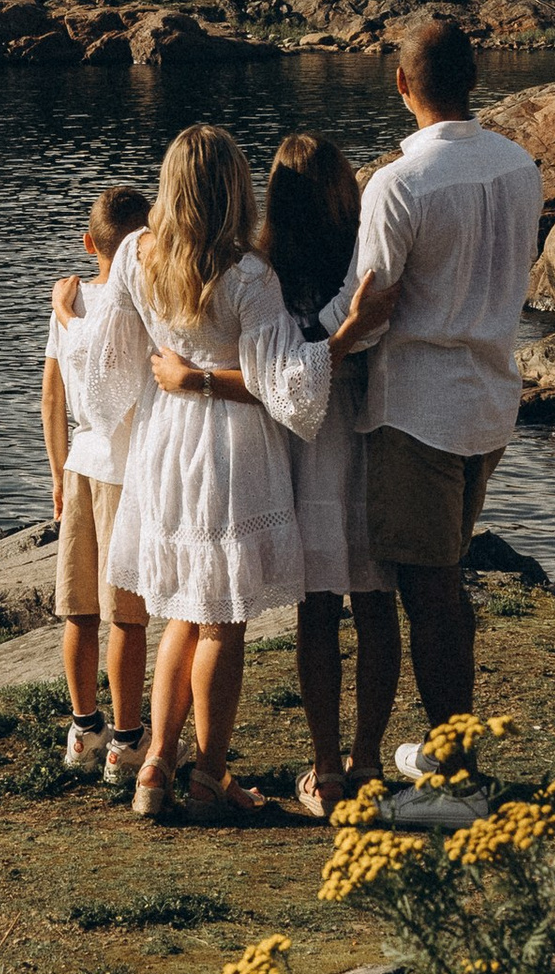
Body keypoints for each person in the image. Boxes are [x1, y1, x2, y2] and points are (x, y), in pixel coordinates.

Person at [77, 122, 330, 824]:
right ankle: (209, 774)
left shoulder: (134, 255)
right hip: (226, 446)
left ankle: (156, 764)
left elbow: (115, 365)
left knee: (188, 609)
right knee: (222, 621)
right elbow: (285, 388)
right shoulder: (250, 275)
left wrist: (177, 379)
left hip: (166, 443)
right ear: (234, 189)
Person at [339, 12, 544, 824]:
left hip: (418, 409)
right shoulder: (519, 165)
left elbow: (370, 304)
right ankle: (447, 749)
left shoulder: (398, 183)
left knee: (430, 593)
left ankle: (459, 780)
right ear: (475, 79)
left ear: (400, 85)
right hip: (490, 396)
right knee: (445, 583)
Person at [154, 135, 397, 820]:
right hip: (364, 428)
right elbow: (301, 365)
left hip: (298, 447)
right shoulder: (363, 253)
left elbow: (276, 376)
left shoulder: (264, 263)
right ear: (346, 191)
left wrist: (190, 379)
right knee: (375, 601)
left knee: (316, 607)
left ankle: (325, 767)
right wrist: (348, 334)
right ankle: (366, 759)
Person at [44, 182, 151, 782]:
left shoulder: (74, 299)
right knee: (126, 615)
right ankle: (129, 739)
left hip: (81, 462)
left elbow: (51, 397)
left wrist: (57, 474)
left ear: (90, 243)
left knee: (79, 609)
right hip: (124, 467)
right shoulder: (142, 299)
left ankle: (84, 729)